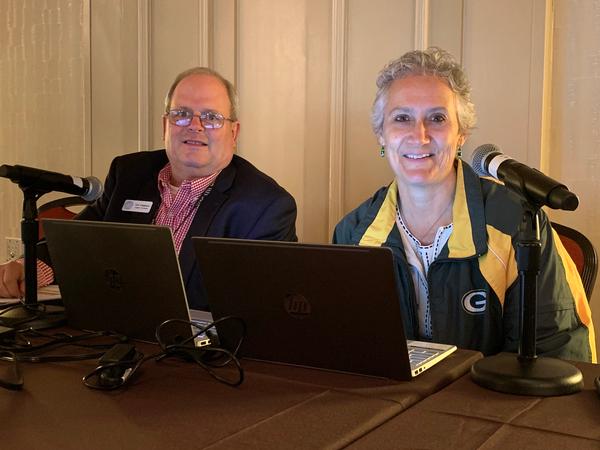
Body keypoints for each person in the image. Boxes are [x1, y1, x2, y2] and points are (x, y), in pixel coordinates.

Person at [333, 47, 596, 362]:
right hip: (392, 406)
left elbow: (555, 354)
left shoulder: (515, 222)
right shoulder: (352, 234)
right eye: (402, 118)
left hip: (488, 404)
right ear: (381, 135)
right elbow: (346, 354)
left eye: (437, 118)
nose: (420, 135)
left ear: (461, 134)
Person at [0, 67, 297, 310]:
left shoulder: (266, 206)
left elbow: (266, 310)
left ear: (234, 132)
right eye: (182, 113)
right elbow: (79, 241)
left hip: (202, 360)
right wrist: (29, 267)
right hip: (110, 337)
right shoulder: (129, 173)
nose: (195, 126)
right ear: (165, 125)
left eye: (211, 117)